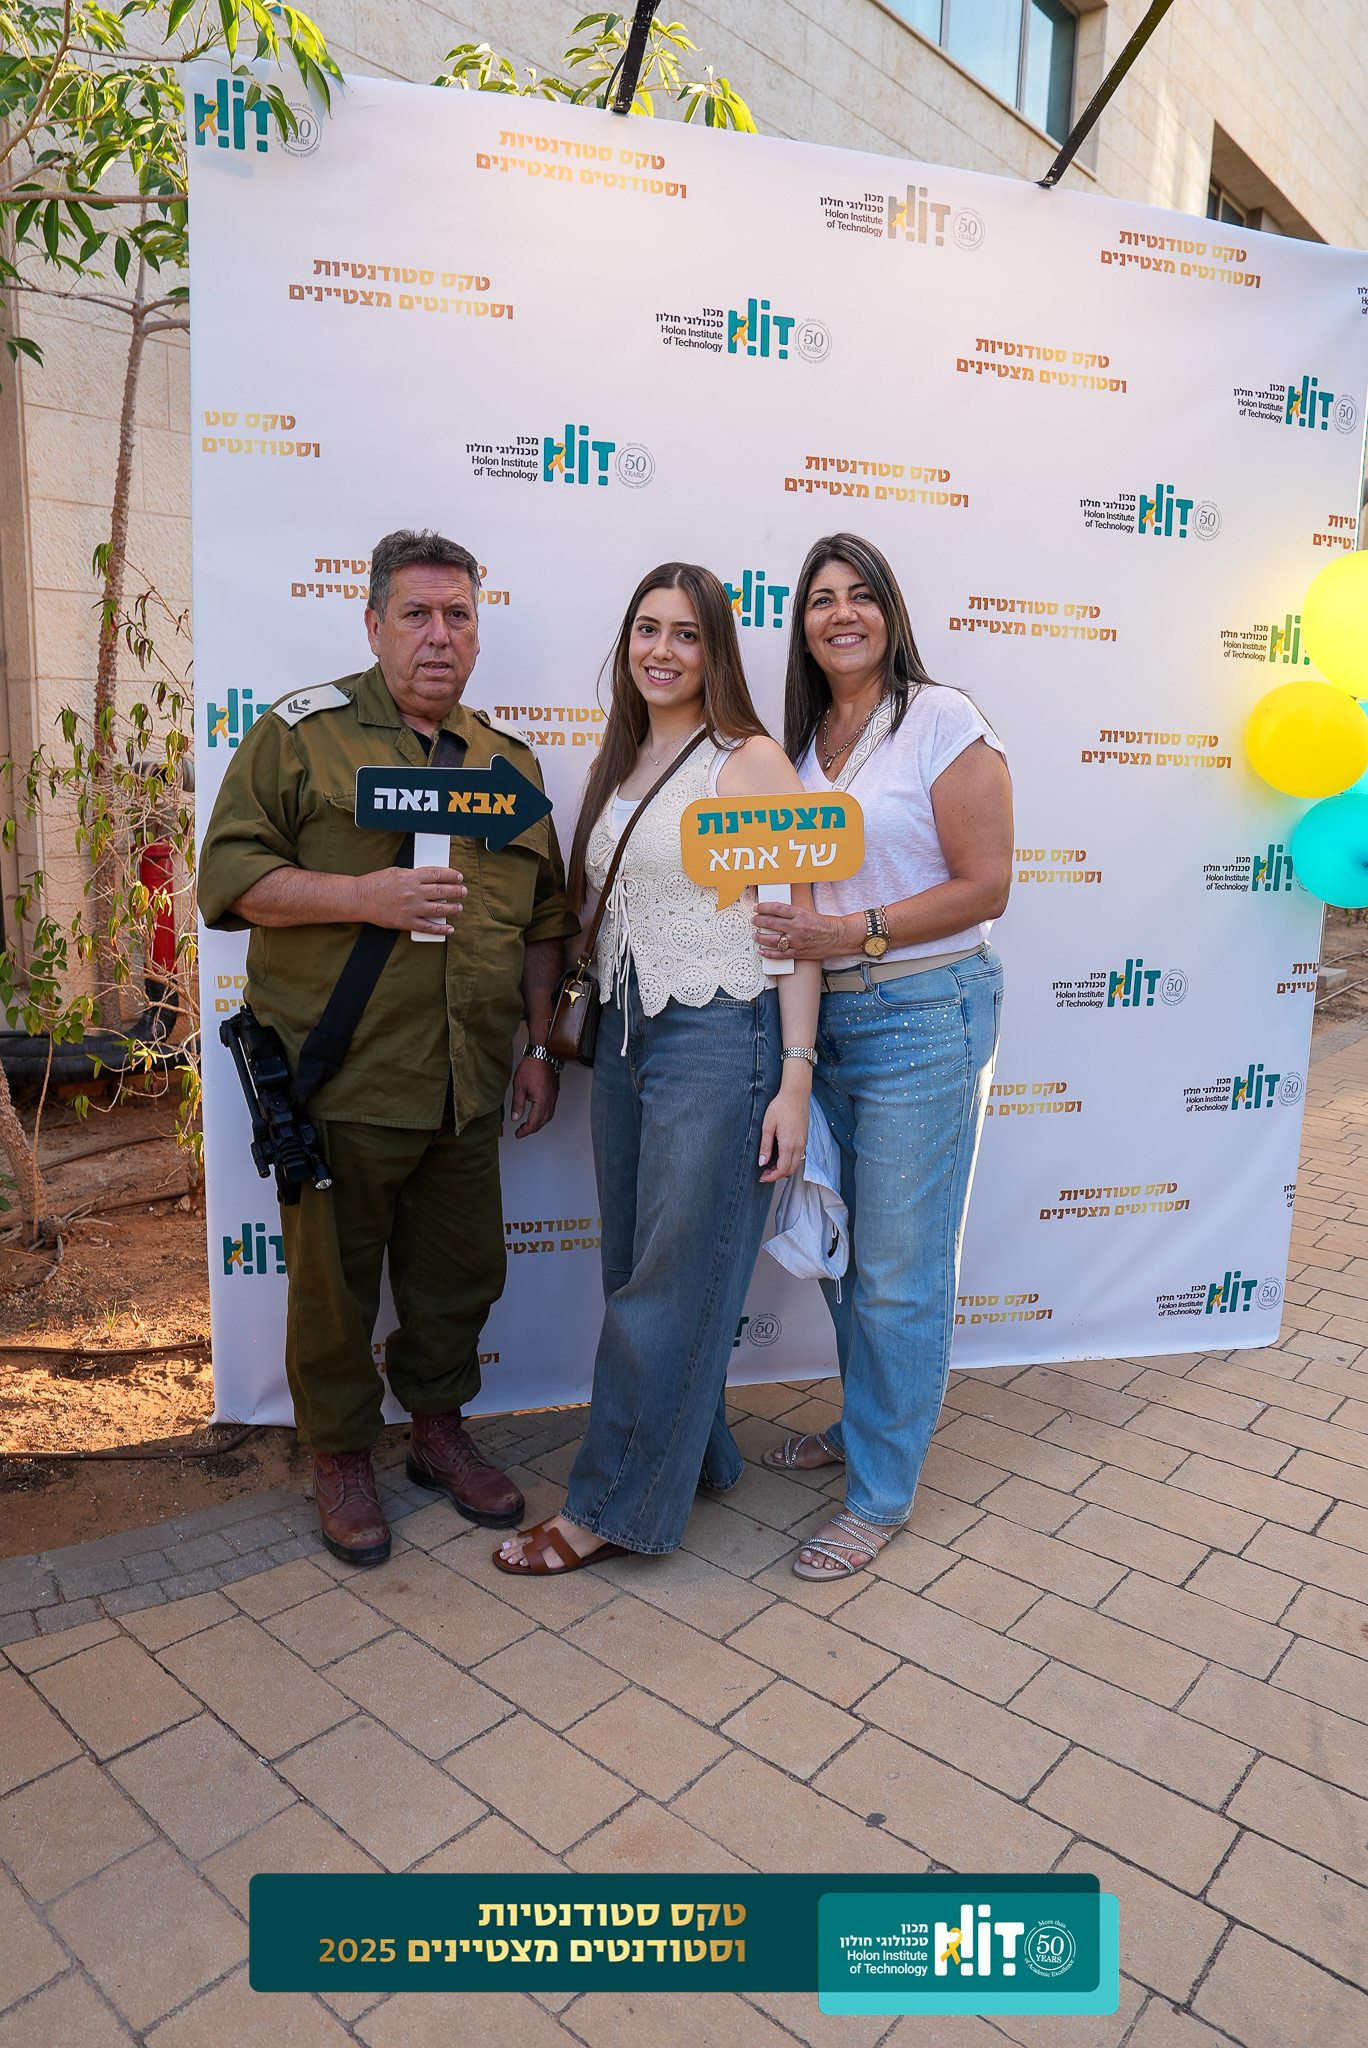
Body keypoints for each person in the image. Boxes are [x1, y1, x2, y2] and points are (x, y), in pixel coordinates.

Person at [198, 529, 579, 1566]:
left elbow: (543, 920)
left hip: (465, 1084)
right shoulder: (302, 738)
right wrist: (362, 894)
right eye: (415, 614)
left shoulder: (509, 766)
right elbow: (228, 879)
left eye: (458, 615)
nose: (437, 635)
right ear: (373, 624)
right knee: (334, 1290)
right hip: (344, 1082)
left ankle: (437, 1432)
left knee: (460, 1275)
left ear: (478, 632)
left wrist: (539, 1047)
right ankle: (340, 1454)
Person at [495, 562, 821, 1574]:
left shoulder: (749, 762)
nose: (663, 650)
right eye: (648, 628)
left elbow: (796, 926)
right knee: (634, 1270)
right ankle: (698, 1457)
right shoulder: (626, 757)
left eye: (686, 633)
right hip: (628, 1034)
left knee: (668, 1282)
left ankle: (607, 1508)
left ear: (715, 649)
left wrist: (796, 1077)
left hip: (721, 1035)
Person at [751, 532, 1012, 1578]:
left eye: (861, 595)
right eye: (822, 599)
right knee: (842, 1248)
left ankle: (880, 1494)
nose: (842, 614)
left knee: (899, 1271)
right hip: (825, 1027)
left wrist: (848, 934)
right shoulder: (800, 747)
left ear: (890, 613)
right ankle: (868, 1424)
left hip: (923, 1012)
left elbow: (986, 884)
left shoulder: (941, 719)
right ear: (803, 626)